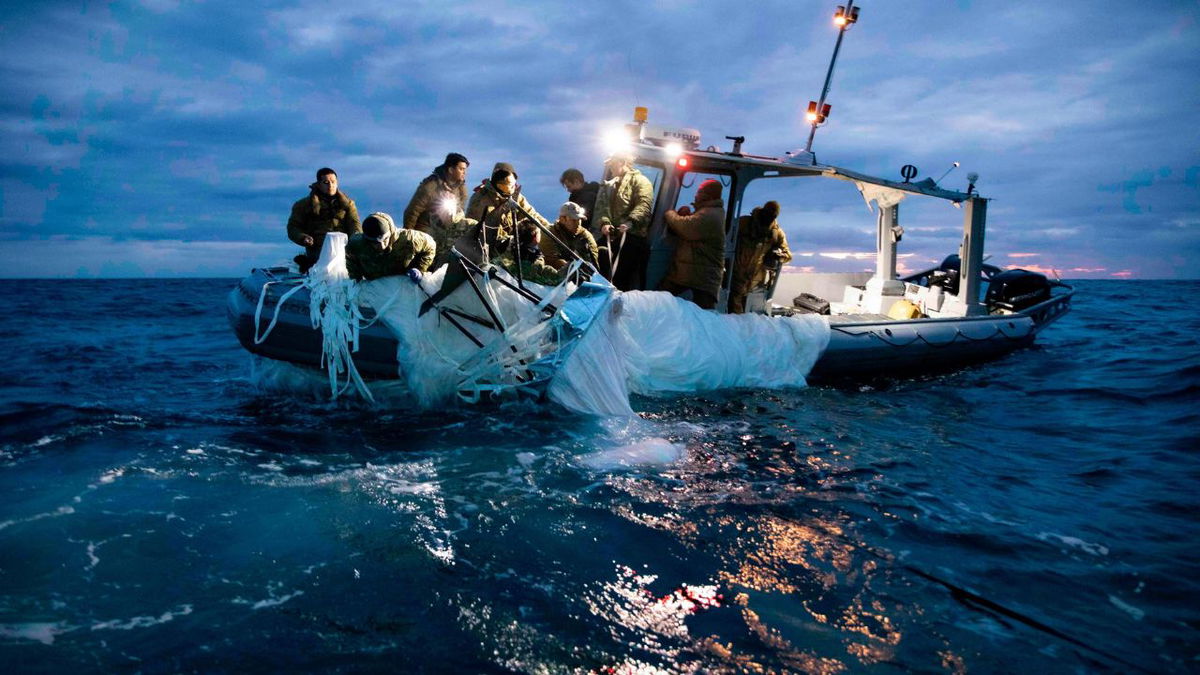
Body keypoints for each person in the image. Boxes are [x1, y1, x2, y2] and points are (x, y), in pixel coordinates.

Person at [659, 179, 726, 310]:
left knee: (702, 317)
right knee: (663, 297)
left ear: (708, 195)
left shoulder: (711, 214)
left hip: (702, 277)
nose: (696, 195)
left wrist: (670, 213)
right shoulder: (707, 212)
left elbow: (686, 228)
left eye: (700, 191)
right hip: (696, 274)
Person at [592, 153, 653, 290]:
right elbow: (603, 206)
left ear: (622, 162)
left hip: (631, 237)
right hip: (611, 236)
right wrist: (604, 223)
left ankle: (618, 306)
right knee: (597, 265)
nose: (610, 167)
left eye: (612, 163)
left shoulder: (641, 181)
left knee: (621, 278)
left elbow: (644, 204)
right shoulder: (610, 184)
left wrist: (631, 221)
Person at [402, 153, 473, 270]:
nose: (464, 172)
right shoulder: (430, 186)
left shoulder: (461, 189)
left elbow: (460, 212)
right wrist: (409, 239)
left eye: (465, 170)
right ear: (450, 169)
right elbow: (412, 211)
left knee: (470, 226)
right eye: (461, 169)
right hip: (427, 228)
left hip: (447, 228)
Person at [287, 168, 361, 273]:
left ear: (337, 183)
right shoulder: (303, 205)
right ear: (318, 184)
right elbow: (293, 227)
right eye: (326, 182)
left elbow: (355, 224)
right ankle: (306, 264)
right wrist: (303, 238)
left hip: (344, 251)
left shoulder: (348, 204)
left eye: (333, 182)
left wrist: (356, 239)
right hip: (318, 251)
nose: (330, 185)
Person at [728, 200, 793, 314]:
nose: (769, 217)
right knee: (734, 310)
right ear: (763, 211)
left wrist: (777, 255)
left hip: (755, 282)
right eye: (767, 213)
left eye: (773, 215)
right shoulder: (744, 223)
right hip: (735, 275)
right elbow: (726, 236)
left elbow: (787, 255)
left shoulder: (776, 233)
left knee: (748, 313)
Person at [345, 212, 436, 282]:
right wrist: (356, 280)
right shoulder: (356, 245)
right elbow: (351, 261)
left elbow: (430, 246)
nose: (382, 246)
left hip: (405, 285)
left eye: (385, 240)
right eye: (375, 243)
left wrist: (419, 269)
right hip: (376, 287)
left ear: (390, 233)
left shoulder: (409, 240)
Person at [541, 202, 599, 272]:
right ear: (562, 219)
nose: (578, 223)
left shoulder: (585, 235)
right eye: (574, 220)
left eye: (579, 219)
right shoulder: (549, 233)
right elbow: (551, 259)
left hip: (585, 274)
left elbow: (594, 258)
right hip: (561, 276)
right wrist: (571, 268)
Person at [502, 221, 562, 287]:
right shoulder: (536, 266)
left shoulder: (505, 250)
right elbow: (559, 279)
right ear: (535, 238)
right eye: (539, 233)